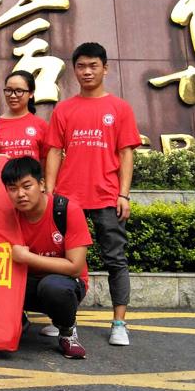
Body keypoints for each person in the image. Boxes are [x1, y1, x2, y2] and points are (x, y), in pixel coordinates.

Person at [45, 42, 141, 347]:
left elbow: (126, 153)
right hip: (68, 197)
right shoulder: (64, 109)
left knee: (115, 259)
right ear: (74, 70)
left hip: (107, 197)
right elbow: (54, 151)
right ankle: (62, 319)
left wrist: (124, 194)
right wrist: (50, 192)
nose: (87, 71)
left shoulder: (120, 108)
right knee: (61, 259)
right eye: (81, 66)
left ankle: (119, 323)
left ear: (105, 68)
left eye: (93, 66)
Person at [2, 156, 91, 359]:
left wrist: (27, 257)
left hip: (64, 284)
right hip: (25, 283)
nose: (20, 194)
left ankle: (67, 332)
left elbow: (75, 267)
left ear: (41, 184)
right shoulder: (7, 216)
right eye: (12, 189)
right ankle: (17, 321)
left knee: (53, 287)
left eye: (27, 186)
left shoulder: (66, 210)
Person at [0, 69, 49, 161]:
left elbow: (47, 160)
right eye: (8, 90)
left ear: (31, 93)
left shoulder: (41, 125)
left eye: (19, 91)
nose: (12, 95)